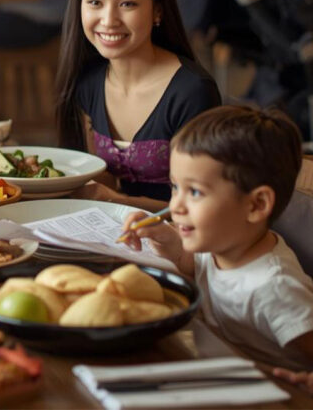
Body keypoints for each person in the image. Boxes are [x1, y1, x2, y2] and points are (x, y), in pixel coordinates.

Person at [120, 105, 313, 369]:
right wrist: (166, 237)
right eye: (175, 187)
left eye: (195, 192)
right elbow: (193, 263)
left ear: (256, 205)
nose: (175, 205)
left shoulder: (274, 289)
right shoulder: (224, 243)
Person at [55, 0, 221, 211]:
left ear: (157, 11)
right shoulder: (87, 82)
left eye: (127, 4)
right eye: (95, 2)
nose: (108, 21)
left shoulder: (192, 91)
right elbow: (99, 182)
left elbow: (201, 205)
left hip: (182, 243)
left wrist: (117, 201)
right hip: (116, 233)